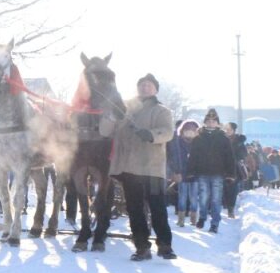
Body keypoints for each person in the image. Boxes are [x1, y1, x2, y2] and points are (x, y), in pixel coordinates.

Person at [100, 73, 175, 260]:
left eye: (149, 85)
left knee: (157, 208)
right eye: (142, 85)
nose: (145, 87)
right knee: (135, 209)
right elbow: (105, 131)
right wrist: (109, 115)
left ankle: (165, 245)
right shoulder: (124, 109)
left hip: (152, 168)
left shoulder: (161, 111)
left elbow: (167, 132)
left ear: (156, 89)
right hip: (129, 168)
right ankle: (142, 246)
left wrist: (151, 134)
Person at [185, 108, 236, 233]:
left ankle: (215, 223)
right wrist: (190, 171)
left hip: (218, 173)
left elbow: (230, 157)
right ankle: (202, 217)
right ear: (205, 122)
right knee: (203, 197)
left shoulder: (223, 138)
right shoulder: (198, 138)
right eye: (209, 121)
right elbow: (193, 156)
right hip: (202, 172)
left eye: (214, 121)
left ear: (217, 123)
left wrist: (230, 174)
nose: (211, 123)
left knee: (216, 199)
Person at [166, 119, 199, 226]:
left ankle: (193, 219)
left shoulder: (198, 142)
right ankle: (181, 219)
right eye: (187, 130)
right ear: (182, 131)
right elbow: (173, 157)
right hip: (181, 173)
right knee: (182, 197)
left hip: (195, 174)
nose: (189, 133)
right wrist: (174, 171)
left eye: (192, 131)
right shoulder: (177, 142)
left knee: (194, 197)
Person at [222, 122, 248, 219]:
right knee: (224, 188)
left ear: (234, 130)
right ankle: (226, 204)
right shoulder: (221, 139)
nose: (227, 131)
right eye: (226, 129)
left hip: (235, 168)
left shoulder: (239, 141)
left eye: (230, 129)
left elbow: (244, 154)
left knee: (232, 189)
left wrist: (234, 156)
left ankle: (231, 209)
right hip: (222, 168)